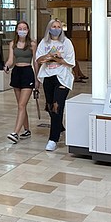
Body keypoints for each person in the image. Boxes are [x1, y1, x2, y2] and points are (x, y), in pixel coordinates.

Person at [35, 19, 75, 151]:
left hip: (62, 77)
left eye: (59, 26)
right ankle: (60, 127)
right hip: (48, 76)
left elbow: (70, 62)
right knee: (50, 106)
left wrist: (58, 58)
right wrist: (48, 56)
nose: (56, 29)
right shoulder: (44, 43)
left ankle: (53, 139)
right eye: (54, 26)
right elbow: (39, 59)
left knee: (57, 106)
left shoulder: (67, 43)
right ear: (49, 28)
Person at [3, 21, 37, 144]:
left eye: (24, 28)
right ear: (16, 30)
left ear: (28, 30)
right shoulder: (13, 43)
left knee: (22, 105)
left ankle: (15, 133)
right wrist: (6, 65)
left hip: (27, 72)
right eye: (20, 28)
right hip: (17, 72)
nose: (22, 30)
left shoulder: (32, 44)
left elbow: (36, 61)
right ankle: (27, 129)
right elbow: (11, 60)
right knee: (21, 105)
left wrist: (37, 79)